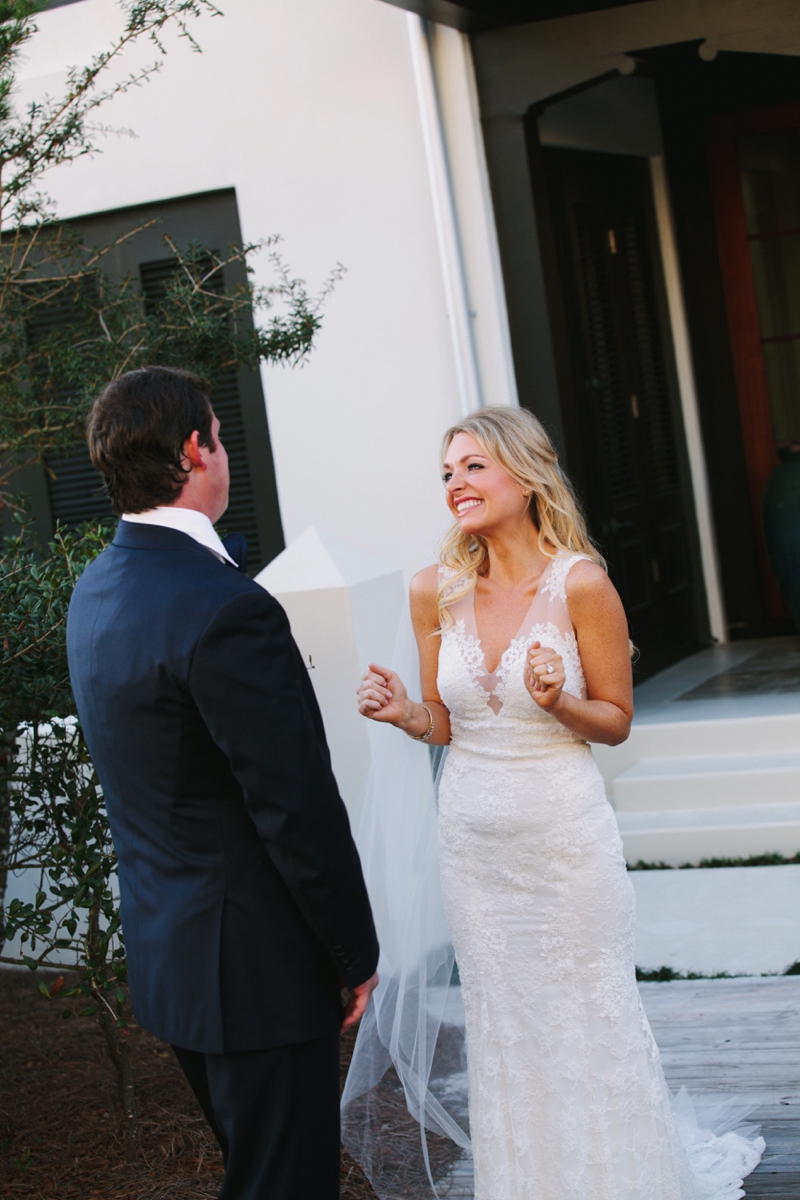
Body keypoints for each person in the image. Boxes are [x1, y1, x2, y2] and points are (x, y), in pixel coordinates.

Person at [350, 406, 763, 1200]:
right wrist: (405, 713)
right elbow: (446, 722)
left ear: (526, 473)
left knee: (587, 1014)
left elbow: (614, 721)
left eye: (473, 466)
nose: (456, 485)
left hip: (565, 843)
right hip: (476, 849)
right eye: (446, 473)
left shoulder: (581, 584)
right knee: (507, 1028)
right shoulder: (434, 590)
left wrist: (559, 702)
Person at [67, 365, 379, 1200]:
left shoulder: (95, 590)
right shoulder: (225, 606)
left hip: (176, 961)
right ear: (196, 449)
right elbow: (294, 804)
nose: (224, 450)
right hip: (256, 970)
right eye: (219, 433)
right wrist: (352, 949)